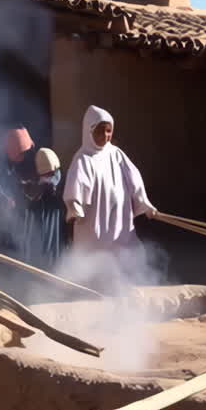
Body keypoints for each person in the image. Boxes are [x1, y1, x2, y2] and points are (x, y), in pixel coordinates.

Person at [63, 106, 156, 289]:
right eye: (101, 130)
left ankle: (125, 289)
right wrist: (75, 206)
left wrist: (145, 204)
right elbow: (76, 184)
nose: (106, 135)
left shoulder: (117, 154)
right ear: (90, 130)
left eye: (109, 131)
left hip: (120, 219)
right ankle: (93, 290)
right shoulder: (83, 158)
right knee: (95, 257)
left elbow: (134, 179)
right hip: (94, 221)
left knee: (126, 252)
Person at [19, 146, 65, 271]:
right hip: (40, 244)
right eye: (46, 175)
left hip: (56, 237)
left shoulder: (59, 184)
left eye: (51, 174)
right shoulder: (35, 191)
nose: (50, 177)